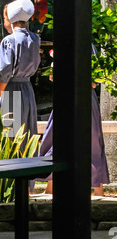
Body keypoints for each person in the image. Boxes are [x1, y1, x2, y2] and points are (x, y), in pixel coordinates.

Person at [36, 46, 110, 196]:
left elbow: (92, 82)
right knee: (67, 139)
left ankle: (96, 189)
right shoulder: (84, 45)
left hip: (75, 96)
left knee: (68, 140)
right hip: (76, 96)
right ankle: (96, 190)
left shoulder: (77, 44)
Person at [0, 0, 41, 143]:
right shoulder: (35, 39)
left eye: (4, 18)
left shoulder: (9, 41)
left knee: (10, 137)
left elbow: (3, 76)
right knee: (26, 134)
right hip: (27, 90)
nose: (4, 22)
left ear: (11, 20)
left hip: (10, 91)